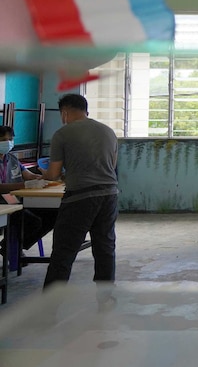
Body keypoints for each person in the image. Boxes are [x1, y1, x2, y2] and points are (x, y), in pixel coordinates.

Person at [42, 93, 119, 289]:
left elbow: (53, 174)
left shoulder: (62, 134)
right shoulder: (108, 131)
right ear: (86, 111)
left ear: (65, 112)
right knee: (105, 247)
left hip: (80, 197)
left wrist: (42, 175)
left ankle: (48, 309)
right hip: (109, 195)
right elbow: (111, 165)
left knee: (64, 252)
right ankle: (106, 298)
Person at [0, 126, 53, 267]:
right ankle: (11, 246)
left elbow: (27, 175)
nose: (7, 142)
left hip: (17, 199)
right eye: (3, 140)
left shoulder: (11, 157)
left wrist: (41, 178)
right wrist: (25, 185)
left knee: (52, 214)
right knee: (31, 220)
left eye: (10, 139)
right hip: (3, 203)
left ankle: (14, 245)